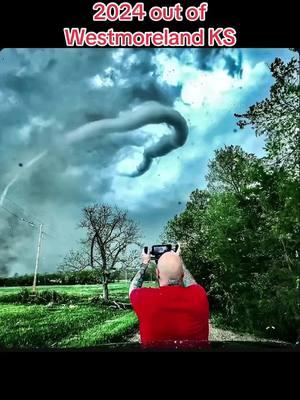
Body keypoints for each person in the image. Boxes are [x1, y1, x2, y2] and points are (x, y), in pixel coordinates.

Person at [129, 244, 210, 349]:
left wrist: (145, 263)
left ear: (157, 273)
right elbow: (192, 284)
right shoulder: (199, 294)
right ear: (183, 274)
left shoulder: (143, 297)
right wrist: (179, 259)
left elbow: (133, 288)